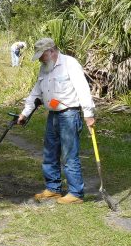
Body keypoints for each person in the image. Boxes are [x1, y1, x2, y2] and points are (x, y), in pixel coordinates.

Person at [17, 38, 95, 204]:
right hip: (53, 115)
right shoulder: (45, 68)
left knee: (68, 155)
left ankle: (76, 193)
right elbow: (36, 92)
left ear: (51, 51)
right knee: (50, 153)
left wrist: (88, 114)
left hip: (69, 114)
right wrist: (25, 113)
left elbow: (83, 89)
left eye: (42, 55)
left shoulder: (70, 64)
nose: (39, 59)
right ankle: (53, 189)